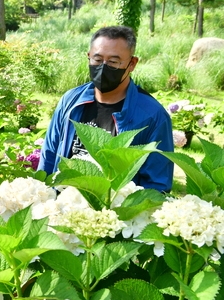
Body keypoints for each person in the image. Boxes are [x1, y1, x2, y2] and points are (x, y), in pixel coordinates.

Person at [38, 25, 174, 192]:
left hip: (114, 212)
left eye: (113, 62)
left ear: (132, 64)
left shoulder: (153, 116)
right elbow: (49, 157)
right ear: (89, 57)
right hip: (63, 207)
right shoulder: (70, 101)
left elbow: (156, 185)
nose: (103, 67)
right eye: (97, 59)